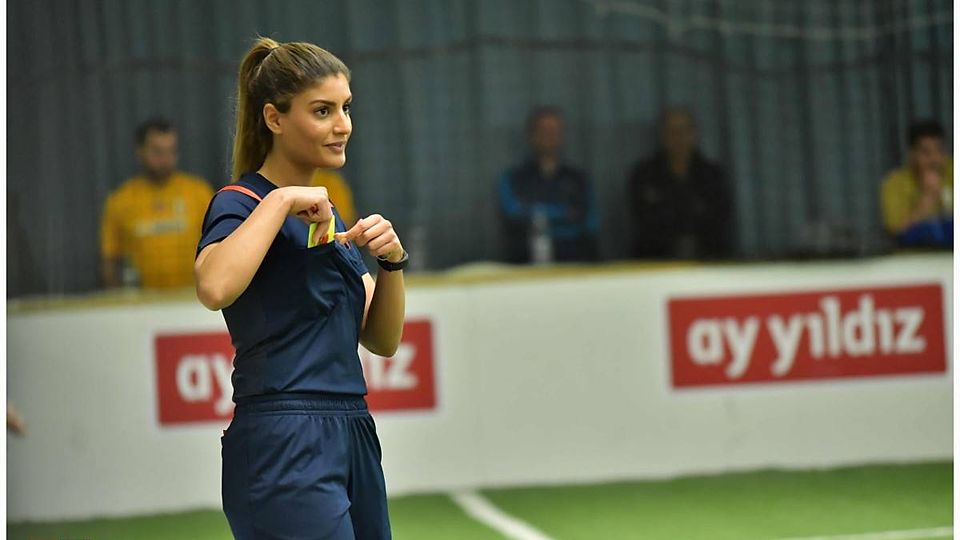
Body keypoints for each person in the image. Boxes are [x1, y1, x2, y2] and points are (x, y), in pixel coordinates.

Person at [194, 38, 406, 539]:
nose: (343, 124)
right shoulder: (241, 202)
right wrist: (282, 199)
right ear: (274, 118)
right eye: (322, 110)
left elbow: (382, 340)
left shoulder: (329, 218)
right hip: (282, 437)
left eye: (346, 108)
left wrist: (393, 263)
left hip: (353, 428)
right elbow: (214, 287)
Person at [100, 118, 214, 289]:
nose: (165, 159)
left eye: (171, 151)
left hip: (193, 297)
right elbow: (109, 259)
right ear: (140, 151)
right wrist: (117, 300)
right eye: (157, 151)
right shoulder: (120, 200)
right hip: (142, 300)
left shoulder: (199, 193)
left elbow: (221, 248)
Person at [627, 107, 733, 259]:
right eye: (672, 132)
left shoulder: (712, 175)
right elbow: (645, 220)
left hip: (708, 256)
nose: (679, 138)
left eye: (684, 131)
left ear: (694, 134)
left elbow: (719, 218)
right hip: (657, 258)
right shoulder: (644, 175)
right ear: (663, 136)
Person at [498, 106, 599, 264]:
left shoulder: (578, 179)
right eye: (544, 130)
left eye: (555, 130)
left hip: (574, 261)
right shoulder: (513, 179)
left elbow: (589, 222)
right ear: (532, 135)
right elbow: (514, 215)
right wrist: (564, 214)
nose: (550, 136)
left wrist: (536, 213)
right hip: (526, 262)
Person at [880, 120, 954, 248]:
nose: (934, 159)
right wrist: (928, 198)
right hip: (915, 253)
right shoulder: (894, 183)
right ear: (912, 154)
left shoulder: (952, 171)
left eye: (939, 151)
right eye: (926, 153)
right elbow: (895, 231)